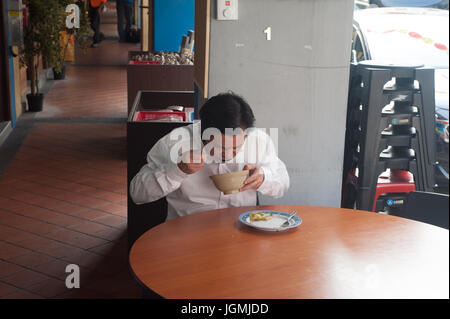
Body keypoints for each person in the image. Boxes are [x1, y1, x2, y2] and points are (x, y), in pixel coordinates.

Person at [130, 92, 290, 221]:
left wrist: (264, 179)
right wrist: (177, 170)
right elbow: (137, 194)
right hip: (187, 232)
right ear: (203, 131)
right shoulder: (175, 142)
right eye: (219, 147)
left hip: (242, 229)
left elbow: (283, 184)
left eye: (235, 148)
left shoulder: (259, 141)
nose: (227, 155)